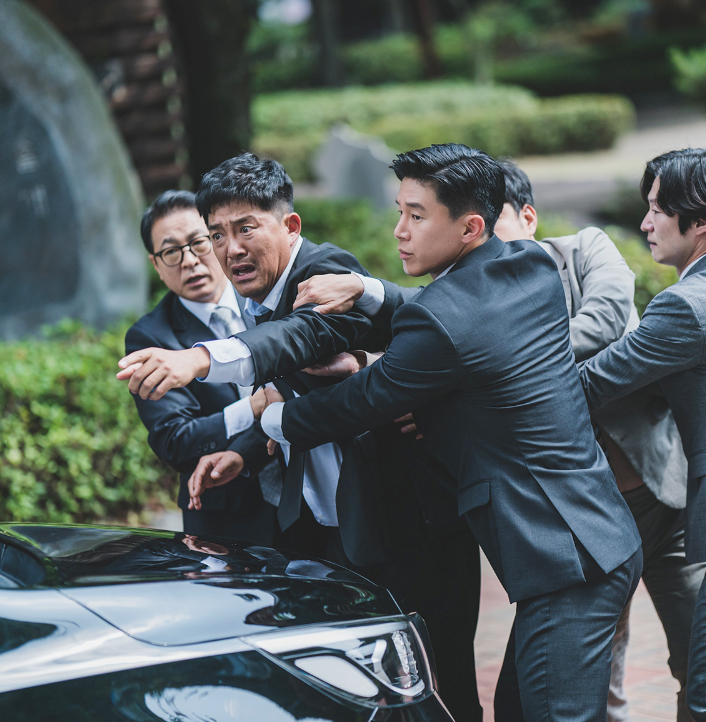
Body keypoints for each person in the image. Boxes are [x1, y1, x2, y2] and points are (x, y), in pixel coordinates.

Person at [254, 143, 642, 721]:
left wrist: (270, 414)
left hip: (567, 561)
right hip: (592, 540)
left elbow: (365, 399)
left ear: (470, 227)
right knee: (517, 709)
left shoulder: (443, 320)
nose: (399, 230)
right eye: (400, 211)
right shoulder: (528, 265)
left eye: (417, 215)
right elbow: (448, 312)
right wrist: (367, 289)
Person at [118, 154, 484, 721]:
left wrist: (197, 359)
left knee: (440, 691)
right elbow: (292, 391)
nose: (229, 249)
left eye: (245, 229)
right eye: (218, 235)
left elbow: (301, 339)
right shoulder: (254, 296)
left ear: (289, 225)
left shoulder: (324, 272)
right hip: (328, 531)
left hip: (406, 526)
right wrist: (242, 450)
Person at [576, 149, 706, 721]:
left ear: (698, 219)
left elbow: (589, 384)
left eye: (657, 209)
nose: (646, 223)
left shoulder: (685, 307)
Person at [125, 190, 281, 543]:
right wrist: (253, 407)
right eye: (171, 252)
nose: (190, 261)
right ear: (155, 265)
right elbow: (175, 441)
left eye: (199, 242)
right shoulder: (151, 337)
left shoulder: (266, 291)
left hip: (304, 490)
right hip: (226, 518)